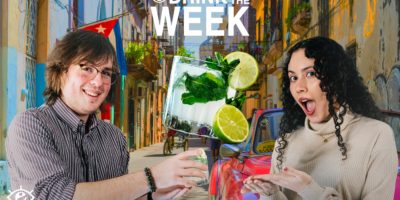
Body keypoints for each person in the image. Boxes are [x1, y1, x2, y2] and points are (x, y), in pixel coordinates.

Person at [6, 30, 207, 200]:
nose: (98, 82)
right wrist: (151, 178)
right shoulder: (29, 125)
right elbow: (54, 195)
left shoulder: (114, 137)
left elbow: (118, 193)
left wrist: (153, 194)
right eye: (86, 68)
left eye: (105, 72)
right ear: (61, 71)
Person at [243, 37, 398, 199]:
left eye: (310, 74)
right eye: (293, 78)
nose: (299, 87)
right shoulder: (285, 142)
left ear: (335, 77)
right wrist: (270, 194)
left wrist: (309, 188)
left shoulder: (377, 135)